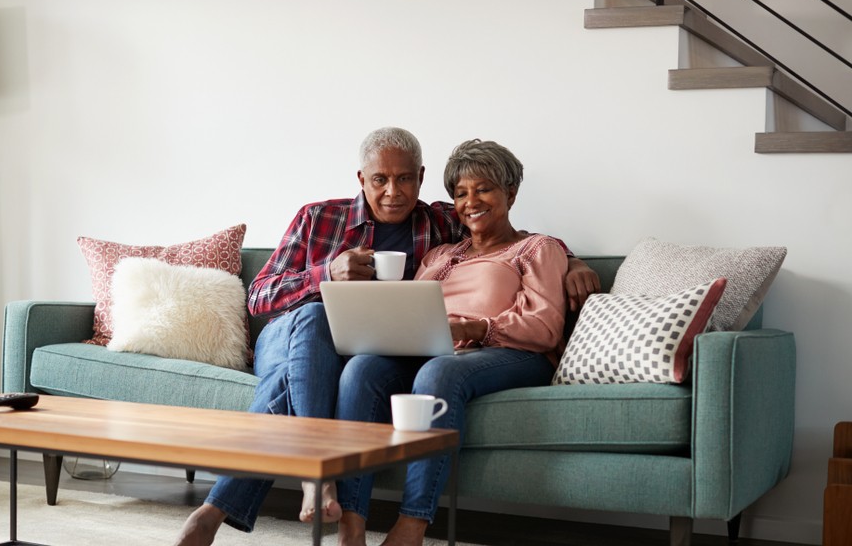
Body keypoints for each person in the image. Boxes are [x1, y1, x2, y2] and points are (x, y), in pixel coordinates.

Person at [173, 129, 599, 546]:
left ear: (420, 177)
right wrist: (326, 275)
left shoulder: (438, 224)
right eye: (380, 179)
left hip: (380, 346)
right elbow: (259, 296)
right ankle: (314, 475)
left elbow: (516, 237)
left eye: (405, 178)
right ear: (362, 179)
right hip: (288, 333)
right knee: (316, 315)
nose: (393, 191)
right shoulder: (319, 217)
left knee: (356, 369)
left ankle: (229, 512)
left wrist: (573, 263)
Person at [332, 138, 569, 546]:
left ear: (510, 193)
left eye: (484, 189)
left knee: (440, 371)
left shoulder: (536, 249)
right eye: (460, 193)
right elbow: (410, 309)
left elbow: (545, 326)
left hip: (511, 352)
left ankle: (413, 524)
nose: (470, 201)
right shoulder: (439, 255)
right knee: (362, 369)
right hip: (435, 348)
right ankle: (350, 522)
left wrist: (473, 329)